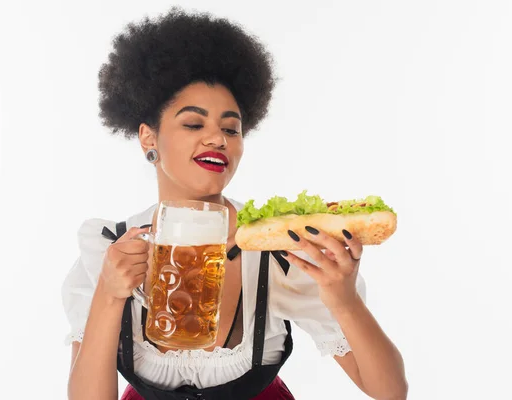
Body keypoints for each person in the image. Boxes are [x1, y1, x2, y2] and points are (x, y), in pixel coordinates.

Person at [62, 7, 408, 400]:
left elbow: (391, 392)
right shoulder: (108, 248)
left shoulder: (276, 249)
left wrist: (344, 301)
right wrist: (110, 293)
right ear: (148, 137)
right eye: (194, 124)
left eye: (231, 128)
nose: (217, 139)